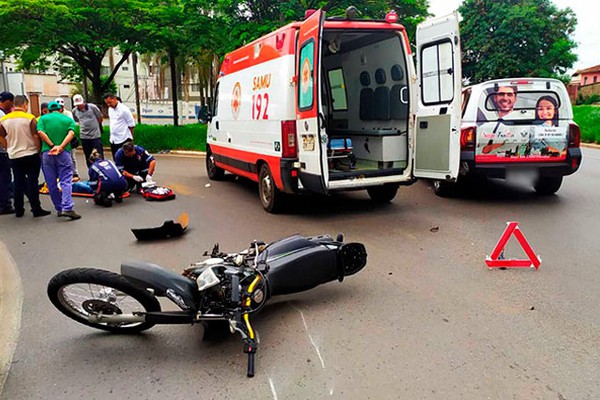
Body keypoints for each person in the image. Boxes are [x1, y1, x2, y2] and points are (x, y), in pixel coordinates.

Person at [0, 95, 50, 218]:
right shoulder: (30, 118)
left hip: (14, 155)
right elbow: (36, 136)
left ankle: (19, 210)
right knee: (32, 181)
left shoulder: (4, 119)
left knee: (18, 181)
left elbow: (1, 136)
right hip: (30, 153)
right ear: (24, 104)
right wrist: (39, 151)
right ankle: (36, 209)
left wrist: (8, 147)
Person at [37, 101, 81, 220]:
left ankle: (59, 208)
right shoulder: (67, 120)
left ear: (49, 110)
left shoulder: (43, 119)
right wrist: (60, 146)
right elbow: (71, 134)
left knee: (51, 183)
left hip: (47, 153)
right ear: (61, 109)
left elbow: (40, 132)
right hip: (64, 153)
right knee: (66, 180)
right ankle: (67, 207)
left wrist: (52, 146)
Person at [71, 94, 104, 169]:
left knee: (98, 155)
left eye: (80, 104)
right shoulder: (74, 111)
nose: (79, 106)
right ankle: (91, 171)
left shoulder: (92, 107)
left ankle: (102, 171)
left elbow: (100, 118)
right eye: (77, 105)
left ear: (83, 102)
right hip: (84, 136)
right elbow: (77, 120)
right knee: (88, 156)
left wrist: (95, 126)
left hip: (95, 135)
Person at [55, 97, 80, 181]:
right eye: (58, 106)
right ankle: (61, 173)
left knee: (72, 156)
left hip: (68, 137)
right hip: (58, 138)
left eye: (61, 106)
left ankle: (74, 172)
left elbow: (70, 123)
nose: (60, 108)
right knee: (59, 157)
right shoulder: (54, 114)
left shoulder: (68, 113)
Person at [103, 93, 135, 159]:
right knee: (116, 159)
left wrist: (131, 139)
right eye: (107, 103)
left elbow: (131, 125)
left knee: (125, 160)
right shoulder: (110, 109)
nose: (109, 105)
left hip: (123, 138)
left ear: (114, 99)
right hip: (113, 139)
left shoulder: (124, 110)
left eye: (110, 102)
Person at [0, 91, 14, 214]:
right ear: (8, 101)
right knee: (4, 177)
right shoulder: (1, 115)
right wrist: (7, 148)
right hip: (1, 151)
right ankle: (5, 204)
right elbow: (2, 133)